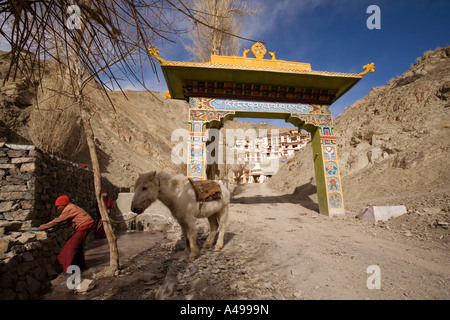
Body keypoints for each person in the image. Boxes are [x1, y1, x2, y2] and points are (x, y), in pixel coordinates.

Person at [39, 195, 94, 282]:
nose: (58, 208)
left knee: (71, 247)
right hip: (84, 226)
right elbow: (64, 221)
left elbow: (59, 220)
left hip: (84, 226)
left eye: (58, 206)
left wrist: (43, 227)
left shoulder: (69, 208)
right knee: (77, 246)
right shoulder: (71, 207)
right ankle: (78, 265)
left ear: (63, 204)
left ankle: (68, 269)